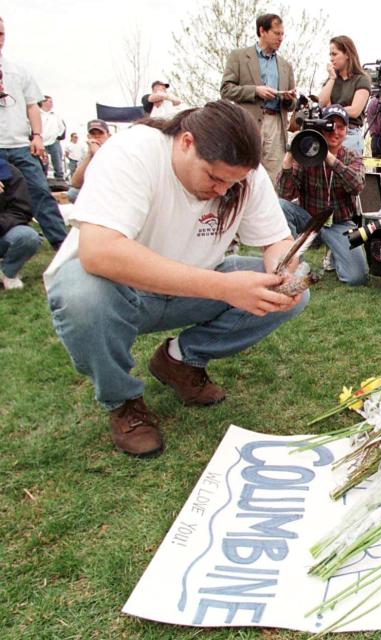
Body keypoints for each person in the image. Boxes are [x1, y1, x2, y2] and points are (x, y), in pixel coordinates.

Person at [44, 100, 308, 457]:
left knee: (285, 294)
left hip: (192, 291)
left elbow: (277, 239)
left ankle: (179, 360)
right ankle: (123, 402)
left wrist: (284, 269)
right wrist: (225, 288)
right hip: (120, 293)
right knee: (82, 296)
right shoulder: (133, 151)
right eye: (214, 178)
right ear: (186, 142)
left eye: (232, 183)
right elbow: (99, 251)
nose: (221, 191)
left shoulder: (242, 176)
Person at [277, 104, 368, 286]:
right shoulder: (307, 154)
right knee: (281, 206)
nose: (335, 132)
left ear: (347, 130)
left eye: (341, 127)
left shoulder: (352, 156)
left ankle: (335, 252)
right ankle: (295, 264)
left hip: (340, 223)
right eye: (330, 126)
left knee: (357, 277)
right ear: (320, 127)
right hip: (310, 220)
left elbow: (357, 185)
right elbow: (285, 193)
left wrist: (329, 158)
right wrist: (290, 155)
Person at [0, 16, 68, 249]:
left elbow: (32, 106)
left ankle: (63, 247)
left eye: (1, 34)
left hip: (20, 145)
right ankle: (11, 246)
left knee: (40, 192)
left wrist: (37, 136)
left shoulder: (18, 71)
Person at [220, 13, 296, 185]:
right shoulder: (238, 57)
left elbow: (291, 105)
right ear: (262, 31)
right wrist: (255, 91)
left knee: (273, 181)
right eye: (276, 33)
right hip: (247, 124)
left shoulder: (286, 66)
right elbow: (226, 90)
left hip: (276, 127)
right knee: (242, 176)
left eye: (282, 34)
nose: (281, 38)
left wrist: (288, 98)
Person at [317, 35, 371, 157]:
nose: (331, 59)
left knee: (346, 171)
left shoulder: (361, 80)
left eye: (334, 54)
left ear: (347, 54)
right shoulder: (332, 80)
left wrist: (332, 110)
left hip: (350, 132)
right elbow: (321, 103)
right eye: (330, 55)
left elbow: (355, 110)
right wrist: (332, 78)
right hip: (330, 131)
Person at [0, 158, 41, 290]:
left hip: (2, 231)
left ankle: (8, 273)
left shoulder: (9, 172)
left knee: (27, 237)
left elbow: (20, 211)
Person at [67, 119, 111, 202]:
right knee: (73, 193)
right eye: (93, 134)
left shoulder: (115, 149)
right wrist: (90, 155)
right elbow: (75, 183)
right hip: (98, 189)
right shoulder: (87, 153)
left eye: (100, 133)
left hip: (113, 189)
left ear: (108, 135)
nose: (97, 136)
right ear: (88, 136)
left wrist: (97, 153)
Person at [39, 95, 66, 180]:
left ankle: (60, 179)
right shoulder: (37, 113)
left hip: (54, 141)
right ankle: (43, 179)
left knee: (57, 162)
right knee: (43, 163)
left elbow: (62, 127)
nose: (52, 103)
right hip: (41, 142)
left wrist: (58, 136)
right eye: (50, 101)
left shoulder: (55, 115)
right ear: (43, 102)